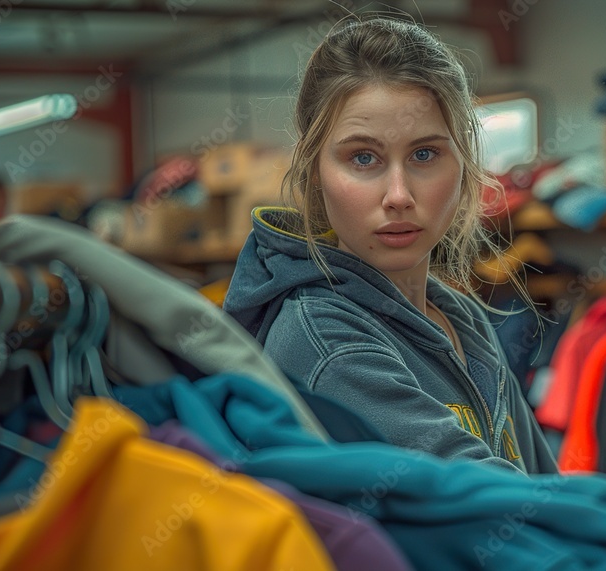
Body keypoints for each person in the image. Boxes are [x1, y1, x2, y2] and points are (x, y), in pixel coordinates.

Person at [223, 16, 557, 474]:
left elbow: (544, 488)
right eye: (363, 158)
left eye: (424, 155)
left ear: (464, 161)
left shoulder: (464, 317)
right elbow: (498, 510)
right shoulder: (327, 343)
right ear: (314, 168)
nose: (398, 195)